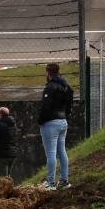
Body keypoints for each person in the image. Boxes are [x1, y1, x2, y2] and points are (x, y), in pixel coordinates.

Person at [38, 62, 74, 190]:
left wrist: (40, 121)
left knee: (51, 154)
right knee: (62, 152)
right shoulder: (66, 86)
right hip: (63, 121)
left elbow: (45, 107)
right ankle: (64, 181)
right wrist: (66, 116)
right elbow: (69, 104)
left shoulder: (50, 87)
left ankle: (51, 182)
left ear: (48, 73)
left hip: (51, 123)